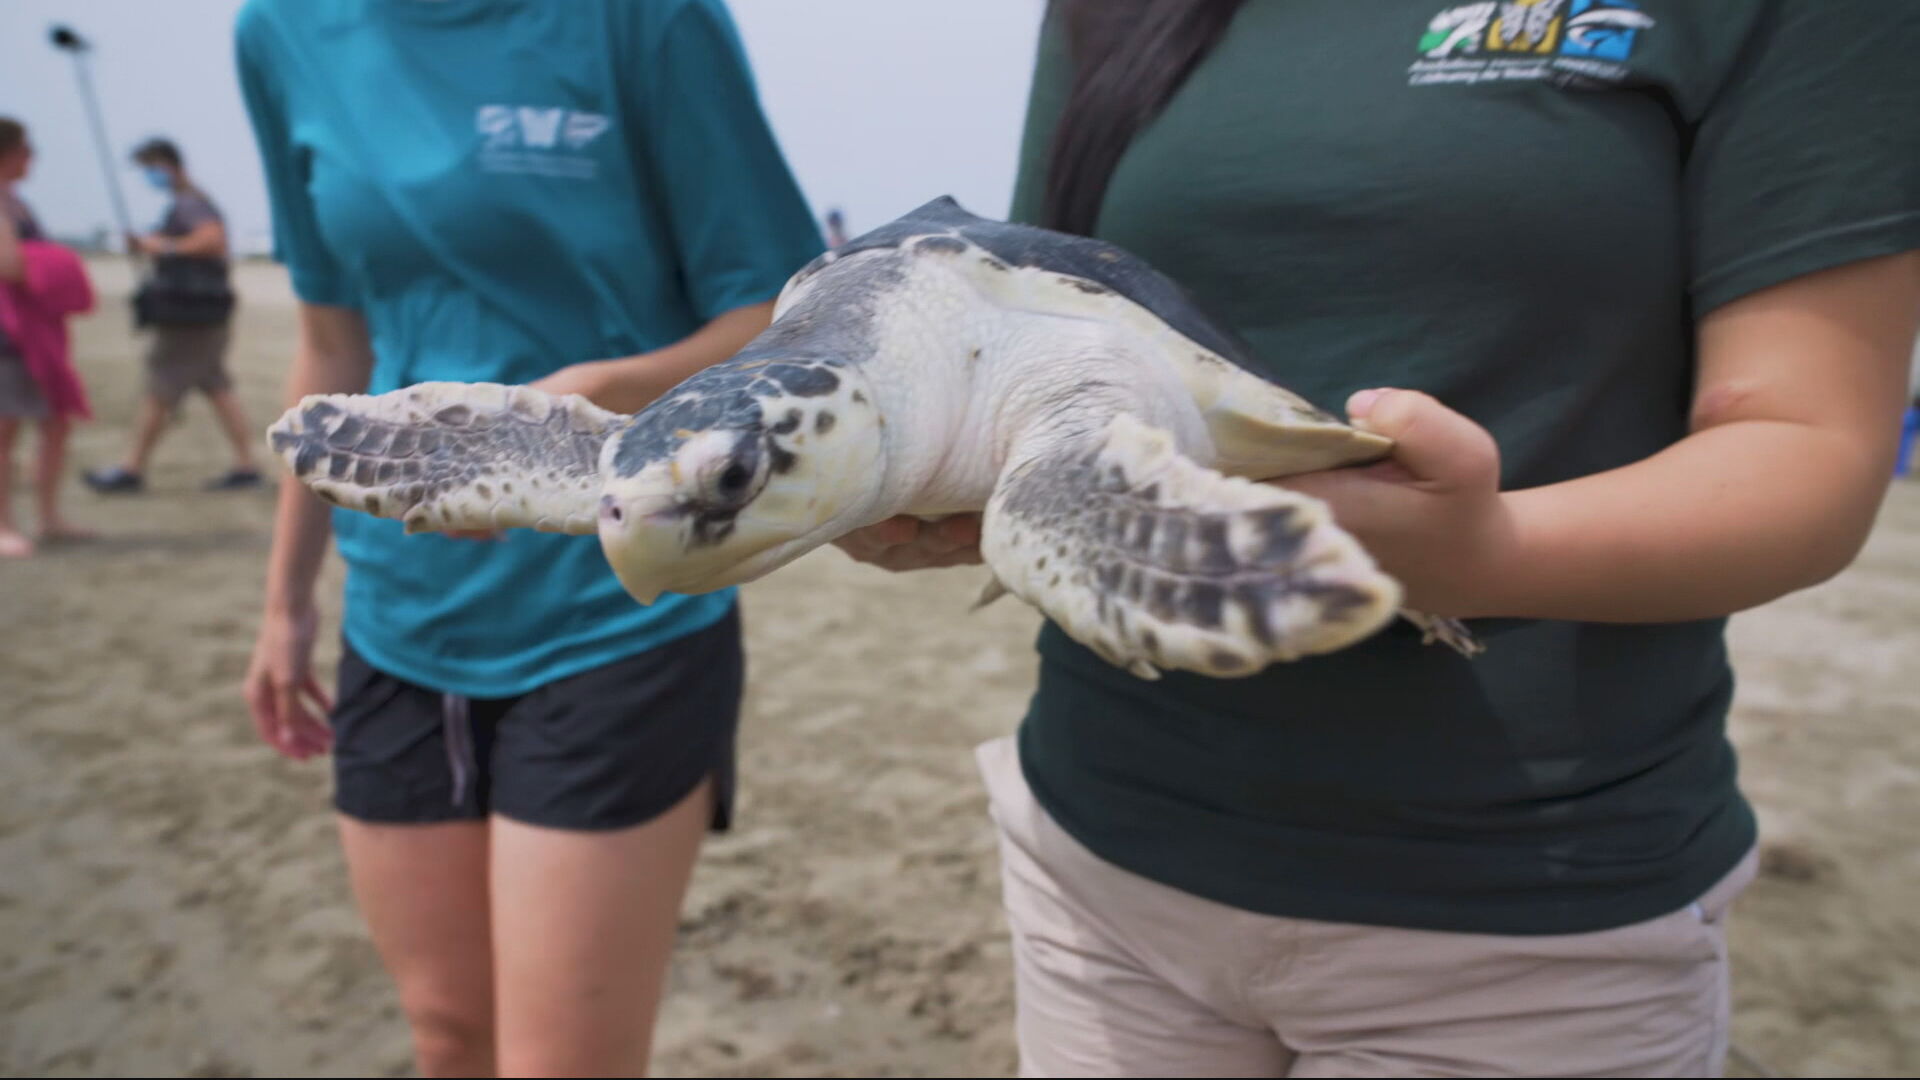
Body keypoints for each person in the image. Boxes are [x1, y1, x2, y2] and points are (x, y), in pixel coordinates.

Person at [837, 1, 1920, 1075]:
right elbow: (1024, 324)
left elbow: (1805, 447)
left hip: (1523, 910)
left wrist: (1483, 554)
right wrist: (928, 470)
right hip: (1100, 860)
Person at [233, 0, 821, 1075]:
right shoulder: (282, 30)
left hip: (612, 612)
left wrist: (588, 398)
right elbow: (329, 341)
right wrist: (285, 603)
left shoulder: (646, 22)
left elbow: (778, 314)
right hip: (396, 617)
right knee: (450, 1035)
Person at [84, 137, 259, 494]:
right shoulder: (189, 202)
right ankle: (247, 464)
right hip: (201, 313)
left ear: (168, 165)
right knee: (215, 387)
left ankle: (131, 467)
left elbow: (213, 240)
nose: (148, 176)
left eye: (151, 168)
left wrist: (161, 245)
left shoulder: (191, 203)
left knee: (161, 388)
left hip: (190, 317)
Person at [0, 116, 93, 558]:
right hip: (8, 335)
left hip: (37, 334)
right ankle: (3, 525)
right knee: (5, 429)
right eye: (26, 148)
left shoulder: (18, 204)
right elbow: (10, 266)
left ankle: (48, 516)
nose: (32, 157)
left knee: (54, 422)